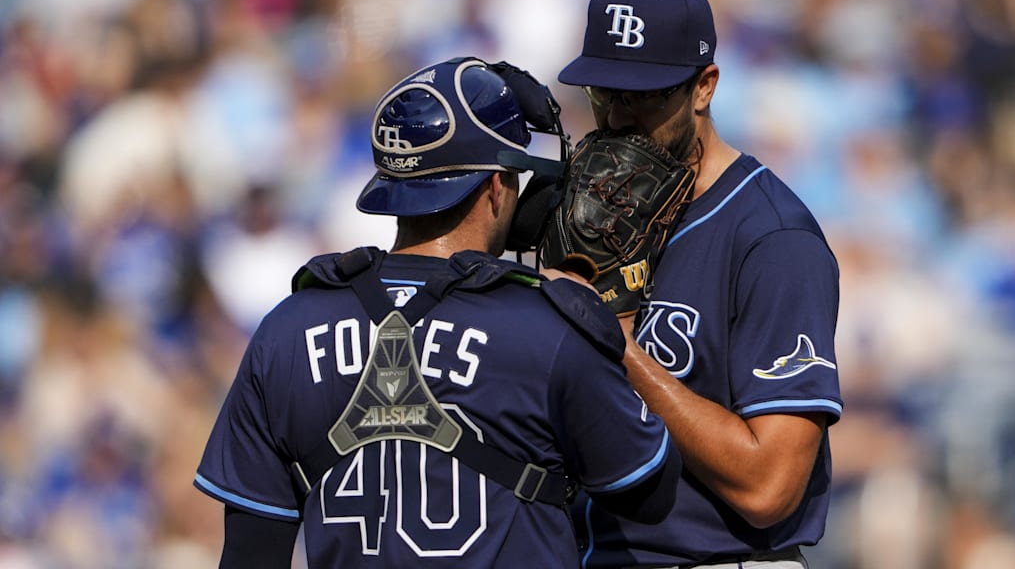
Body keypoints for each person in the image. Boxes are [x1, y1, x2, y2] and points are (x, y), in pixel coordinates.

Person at [193, 57, 681, 568]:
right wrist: (611, 321)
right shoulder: (548, 327)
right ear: (497, 187)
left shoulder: (286, 329)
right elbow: (648, 491)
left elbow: (251, 553)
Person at [555, 0, 844, 568]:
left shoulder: (772, 237)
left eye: (644, 96)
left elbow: (770, 487)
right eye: (604, 95)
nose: (616, 120)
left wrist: (618, 346)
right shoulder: (580, 214)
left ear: (704, 87)